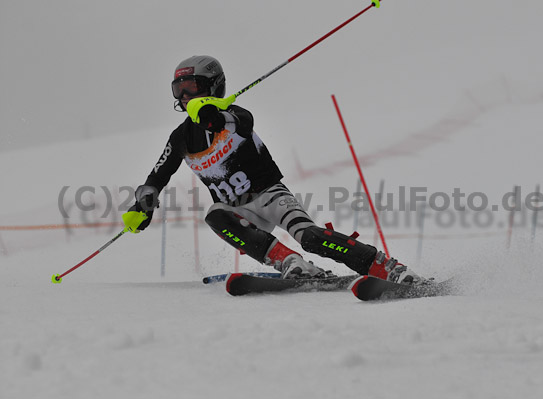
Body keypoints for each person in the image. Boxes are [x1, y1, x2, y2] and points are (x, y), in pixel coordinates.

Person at [123, 55, 424, 283]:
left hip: (271, 196)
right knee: (215, 214)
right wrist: (143, 203)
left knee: (309, 237)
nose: (183, 97)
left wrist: (212, 116)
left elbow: (239, 123)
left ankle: (384, 267)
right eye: (178, 90)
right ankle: (291, 263)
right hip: (239, 211)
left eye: (190, 88)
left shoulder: (234, 115)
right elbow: (156, 176)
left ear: (212, 86)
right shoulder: (180, 138)